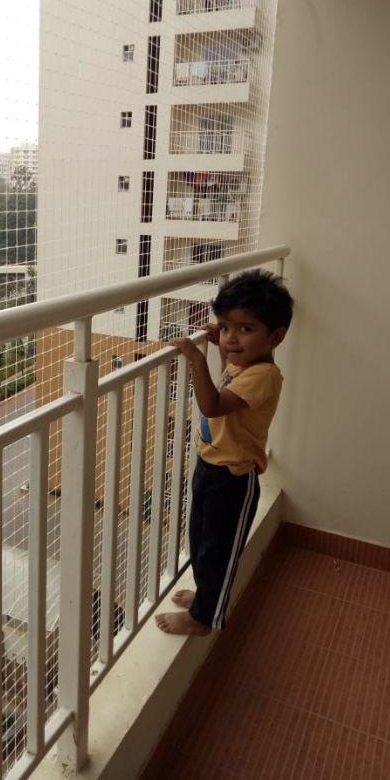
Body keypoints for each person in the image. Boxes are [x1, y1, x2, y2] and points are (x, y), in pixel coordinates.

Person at [155, 269, 293, 636]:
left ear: (276, 336)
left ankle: (204, 619)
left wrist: (197, 360)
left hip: (233, 478)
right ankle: (205, 596)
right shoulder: (244, 364)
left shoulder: (262, 376)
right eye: (226, 327)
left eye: (245, 329)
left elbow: (213, 405)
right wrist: (219, 349)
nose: (231, 338)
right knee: (201, 542)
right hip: (209, 467)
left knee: (219, 552)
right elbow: (228, 376)